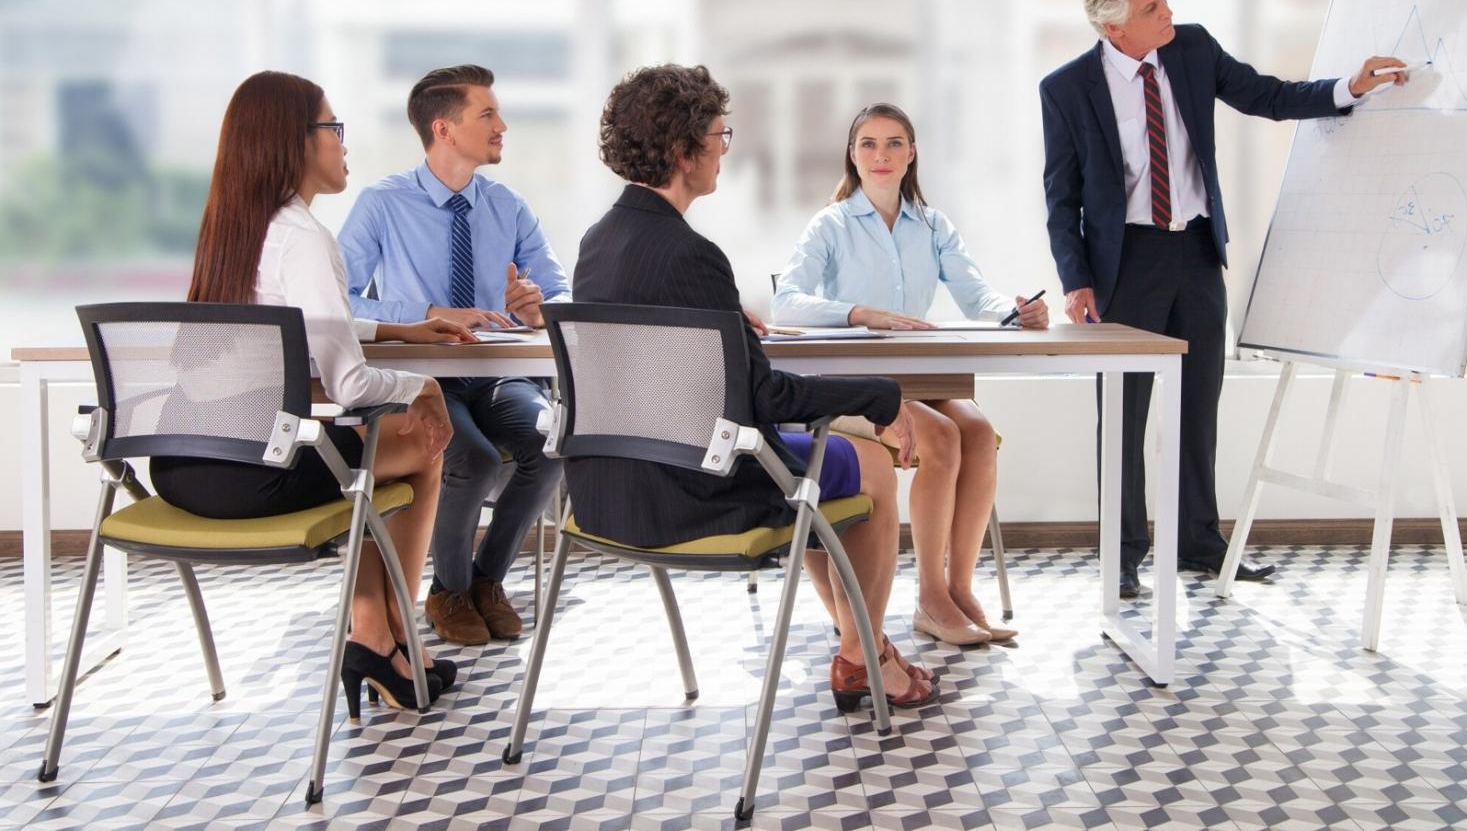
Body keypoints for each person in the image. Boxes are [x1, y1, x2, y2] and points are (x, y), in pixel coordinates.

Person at [570, 63, 937, 710]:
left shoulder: (599, 244)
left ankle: (864, 650)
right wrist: (880, 395)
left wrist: (725, 329)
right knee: (869, 465)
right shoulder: (692, 255)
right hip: (696, 493)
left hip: (608, 488)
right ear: (684, 150)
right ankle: (864, 654)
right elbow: (765, 401)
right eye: (720, 134)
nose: (724, 148)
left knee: (827, 466)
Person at [1040, 0, 1407, 598]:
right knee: (1122, 414)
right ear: (1113, 25)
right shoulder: (1067, 89)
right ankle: (1121, 556)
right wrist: (1075, 281)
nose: (1168, 14)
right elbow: (1060, 196)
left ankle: (1198, 545)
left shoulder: (1192, 49)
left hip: (1198, 254)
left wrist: (1351, 87)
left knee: (1197, 404)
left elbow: (1267, 95)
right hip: (1123, 264)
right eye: (1153, 8)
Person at [155, 70, 470, 711]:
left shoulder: (234, 227)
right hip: (256, 473)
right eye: (333, 128)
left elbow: (296, 319)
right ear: (295, 142)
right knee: (423, 440)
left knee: (375, 455)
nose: (343, 143)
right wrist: (425, 384)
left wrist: (393, 327)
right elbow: (352, 384)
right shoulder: (302, 236)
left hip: (181, 465)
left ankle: (378, 637)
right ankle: (387, 637)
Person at [772, 103, 1048, 647]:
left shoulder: (932, 224)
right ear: (853, 155)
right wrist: (858, 312)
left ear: (911, 153)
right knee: (942, 436)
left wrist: (1016, 312)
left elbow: (976, 295)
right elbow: (786, 304)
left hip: (921, 376)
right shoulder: (831, 223)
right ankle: (929, 597)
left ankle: (959, 589)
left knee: (977, 431)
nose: (881, 155)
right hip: (857, 384)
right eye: (869, 144)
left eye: (894, 143)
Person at [340, 65, 569, 646]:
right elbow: (340, 298)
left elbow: (561, 292)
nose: (503, 125)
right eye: (487, 114)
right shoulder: (381, 204)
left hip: (498, 374)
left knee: (553, 442)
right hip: (426, 379)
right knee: (467, 453)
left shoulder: (508, 206)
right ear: (443, 129)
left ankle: (484, 580)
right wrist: (429, 311)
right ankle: (448, 588)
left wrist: (539, 305)